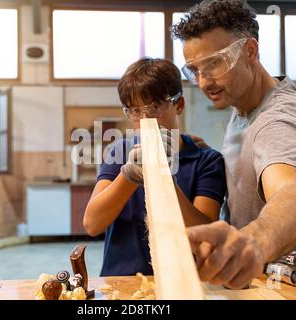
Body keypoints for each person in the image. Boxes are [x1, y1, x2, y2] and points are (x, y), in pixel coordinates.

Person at [172, 0, 296, 289]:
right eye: (194, 70)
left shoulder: (278, 121)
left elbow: (291, 195)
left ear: (250, 51)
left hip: (279, 289)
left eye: (213, 63)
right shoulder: (243, 104)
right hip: (252, 284)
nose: (203, 82)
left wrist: (251, 244)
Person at [83, 57, 227, 276]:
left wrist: (166, 180)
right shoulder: (120, 152)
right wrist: (129, 175)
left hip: (183, 282)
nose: (145, 119)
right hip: (121, 282)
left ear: (178, 104)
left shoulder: (207, 160)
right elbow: (92, 224)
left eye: (155, 107)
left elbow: (204, 236)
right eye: (134, 110)